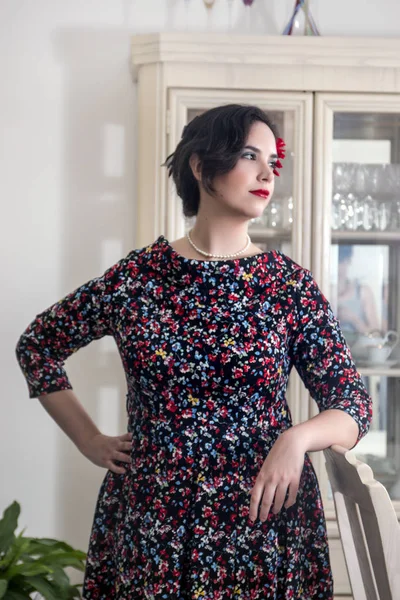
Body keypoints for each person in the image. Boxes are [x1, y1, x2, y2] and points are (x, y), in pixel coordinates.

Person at [16, 104, 372, 600]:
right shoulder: (136, 279)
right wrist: (90, 440)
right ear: (202, 166)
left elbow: (353, 406)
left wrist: (296, 439)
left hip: (263, 526)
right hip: (155, 524)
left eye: (273, 160)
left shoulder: (286, 285)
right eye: (250, 155)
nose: (268, 172)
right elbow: (38, 347)